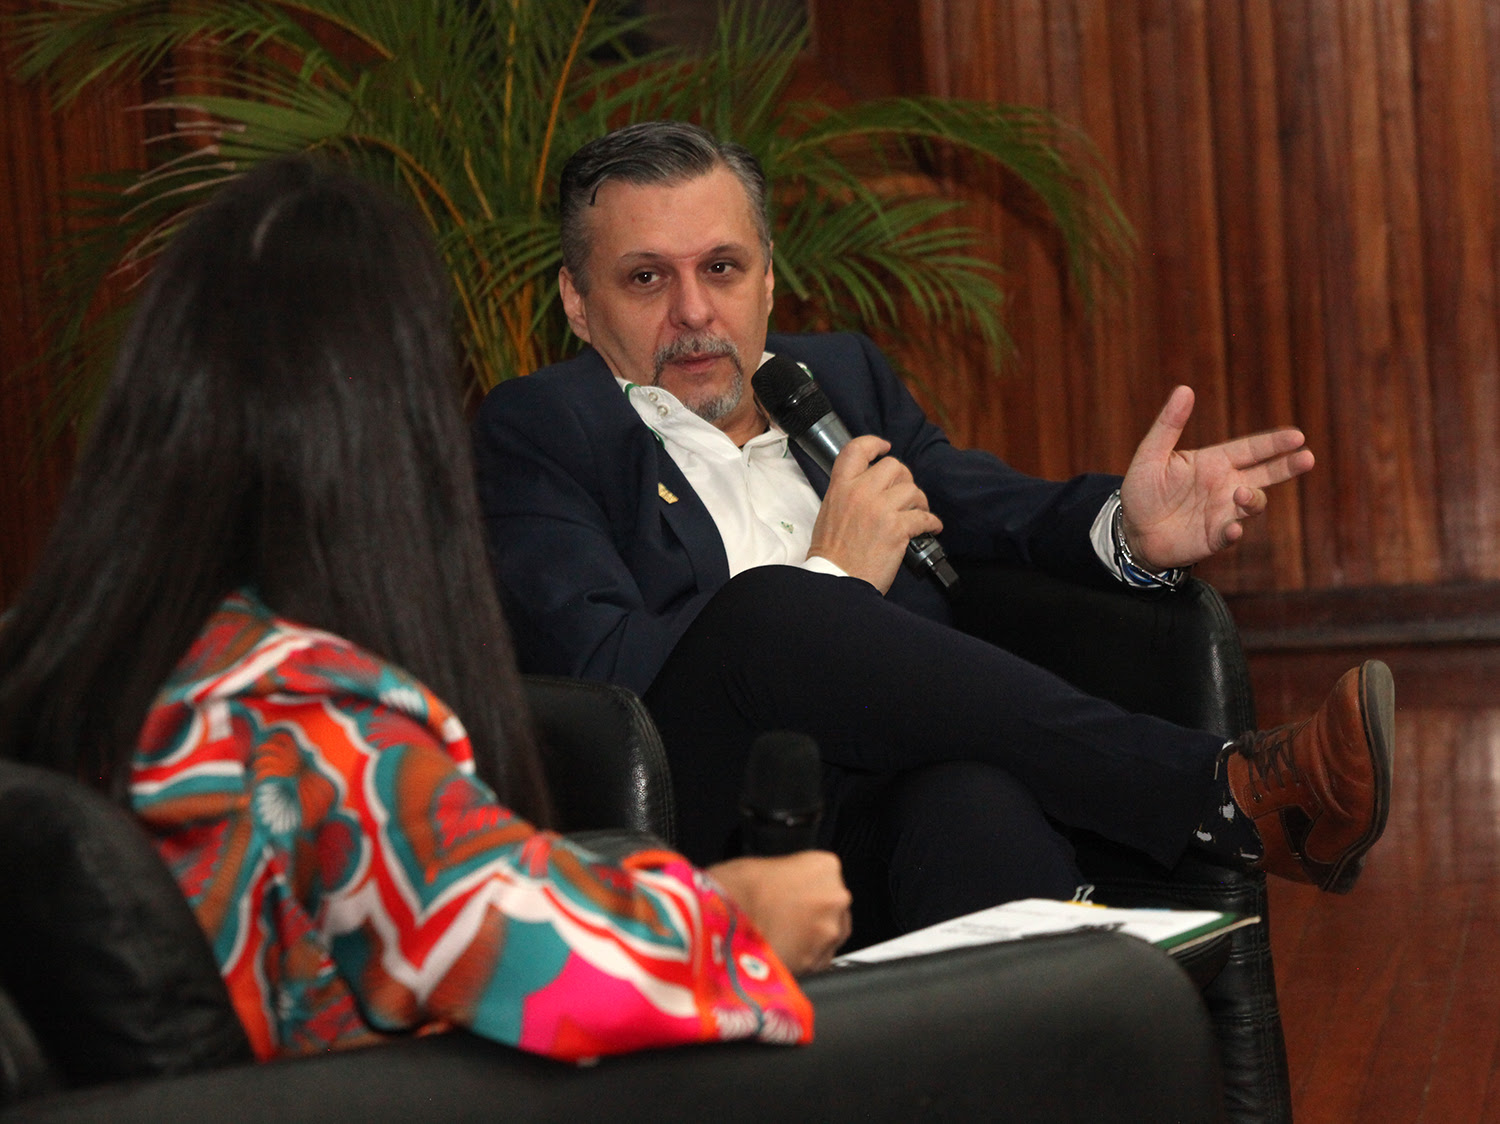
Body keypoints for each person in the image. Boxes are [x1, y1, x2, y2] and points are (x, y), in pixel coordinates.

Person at [0, 156, 853, 1063]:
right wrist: (742, 914)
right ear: (384, 429)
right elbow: (554, 970)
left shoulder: (101, 657)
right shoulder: (307, 720)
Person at [471, 120, 1396, 937]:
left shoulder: (837, 378)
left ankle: (1086, 1022)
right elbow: (602, 667)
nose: (694, 311)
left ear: (768, 278)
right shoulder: (542, 429)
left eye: (722, 268)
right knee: (771, 610)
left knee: (972, 805)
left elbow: (978, 502)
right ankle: (1221, 792)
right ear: (578, 303)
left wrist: (1128, 527)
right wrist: (832, 578)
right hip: (702, 818)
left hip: (878, 807)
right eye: (646, 278)